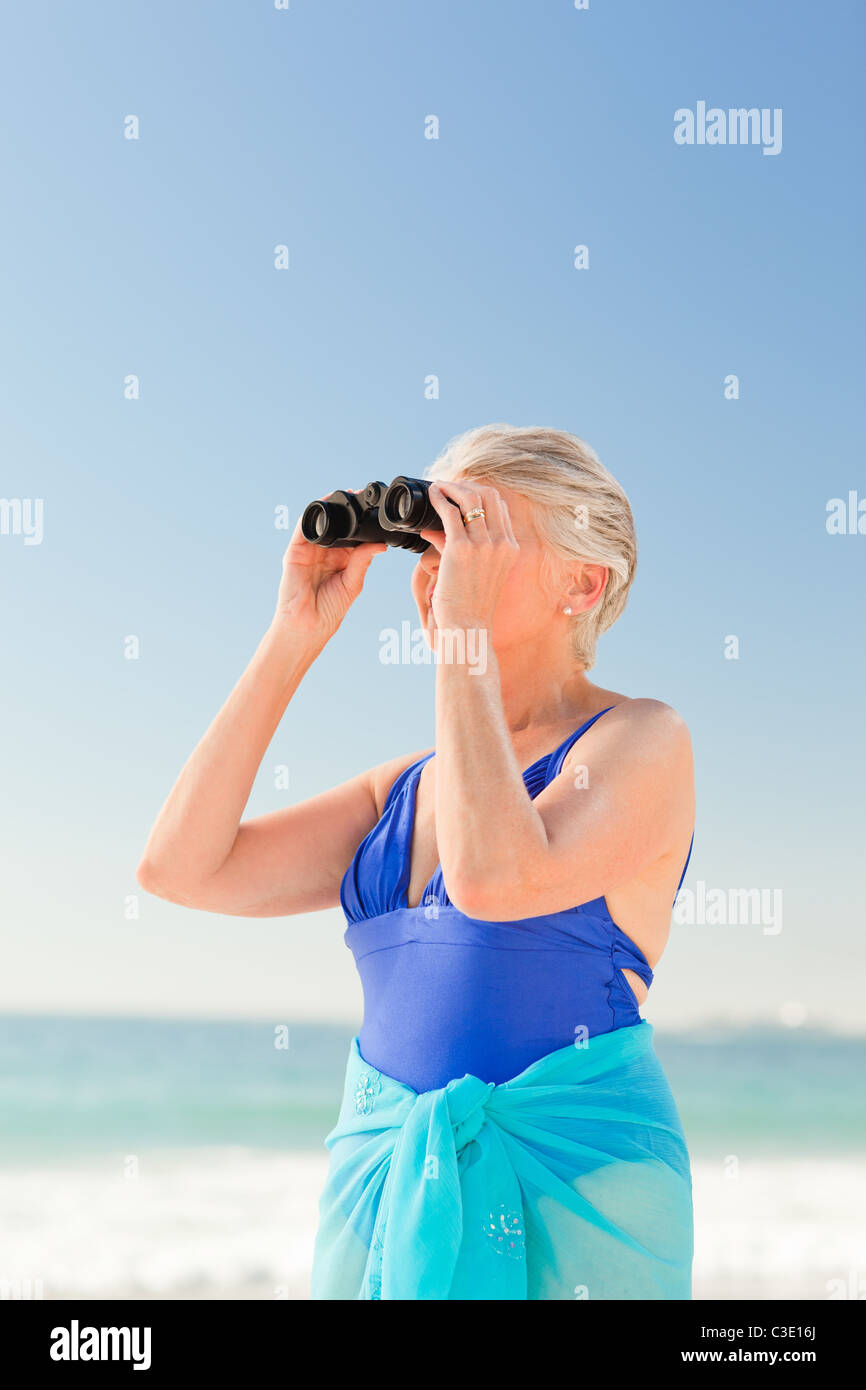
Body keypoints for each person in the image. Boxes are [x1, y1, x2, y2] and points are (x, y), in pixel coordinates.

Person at [138, 424, 696, 1300]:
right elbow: (182, 868)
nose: (441, 569)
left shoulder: (642, 741)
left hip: (577, 1190)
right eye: (430, 540)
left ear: (584, 583)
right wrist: (294, 633)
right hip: (382, 1180)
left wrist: (461, 643)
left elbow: (493, 881)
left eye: (476, 537)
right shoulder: (399, 787)